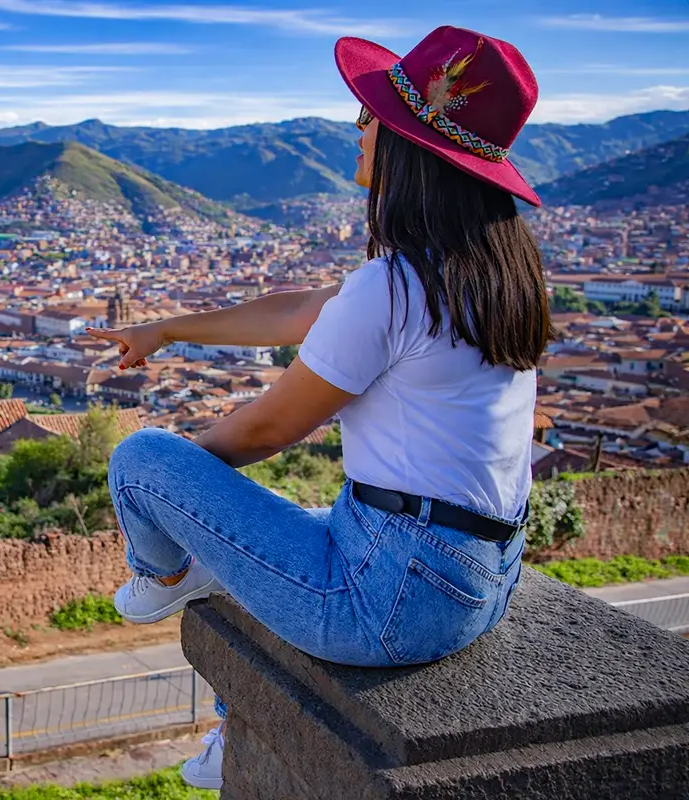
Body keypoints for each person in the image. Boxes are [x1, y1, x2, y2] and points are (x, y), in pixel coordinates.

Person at [86, 26, 551, 791]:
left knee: (140, 460)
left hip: (397, 597)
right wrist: (169, 329)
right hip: (484, 577)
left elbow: (269, 428)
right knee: (309, 520)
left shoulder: (394, 286)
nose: (358, 128)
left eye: (372, 118)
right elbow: (298, 310)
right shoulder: (489, 270)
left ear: (408, 147)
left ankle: (166, 579)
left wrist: (177, 496)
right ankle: (237, 707)